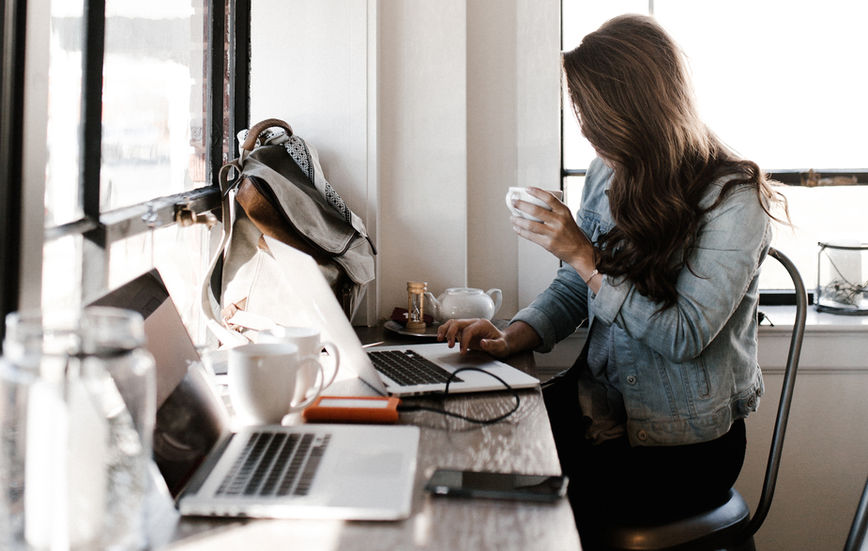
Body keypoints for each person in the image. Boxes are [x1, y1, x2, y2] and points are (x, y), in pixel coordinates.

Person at [437, 13, 787, 549]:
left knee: (515, 498)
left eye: (591, 114)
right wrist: (512, 336)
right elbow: (574, 286)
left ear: (636, 110)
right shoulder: (609, 171)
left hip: (682, 448)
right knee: (467, 445)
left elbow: (684, 336)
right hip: (598, 410)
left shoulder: (735, 200)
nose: (585, 129)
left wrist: (584, 255)